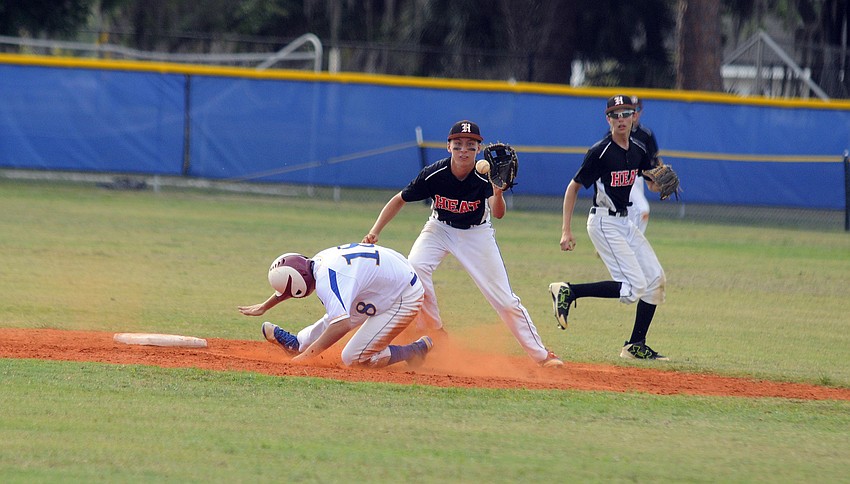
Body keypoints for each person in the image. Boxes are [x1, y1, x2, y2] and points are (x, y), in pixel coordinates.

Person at [362, 120, 564, 368]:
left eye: (470, 145)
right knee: (414, 269)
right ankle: (435, 332)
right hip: (439, 228)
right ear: (448, 147)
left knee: (504, 300)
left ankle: (542, 355)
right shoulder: (434, 174)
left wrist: (498, 192)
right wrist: (374, 231)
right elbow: (399, 199)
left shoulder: (485, 177)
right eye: (458, 144)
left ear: (479, 149)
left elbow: (498, 214)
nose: (463, 150)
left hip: (476, 234)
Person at [548, 95, 669, 360]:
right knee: (633, 288)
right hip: (604, 222)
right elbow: (573, 188)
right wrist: (566, 230)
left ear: (634, 116)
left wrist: (660, 183)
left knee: (655, 279)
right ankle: (569, 290)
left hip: (625, 221)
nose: (621, 119)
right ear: (608, 119)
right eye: (615, 114)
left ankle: (635, 345)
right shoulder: (600, 152)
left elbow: (650, 184)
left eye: (626, 113)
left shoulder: (638, 149)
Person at [238, 243, 434, 368]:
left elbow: (342, 325)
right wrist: (266, 305)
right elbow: (294, 281)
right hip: (387, 280)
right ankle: (300, 343)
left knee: (353, 359)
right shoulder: (318, 261)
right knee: (336, 313)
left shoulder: (328, 280)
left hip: (404, 295)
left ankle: (413, 351)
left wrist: (307, 358)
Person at [627, 95, 662, 233]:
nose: (634, 112)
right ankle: (634, 242)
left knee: (633, 214)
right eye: (631, 109)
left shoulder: (646, 134)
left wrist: (660, 175)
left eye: (637, 109)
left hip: (639, 179)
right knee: (642, 210)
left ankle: (628, 241)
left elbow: (655, 159)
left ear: (641, 111)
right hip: (622, 177)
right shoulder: (617, 132)